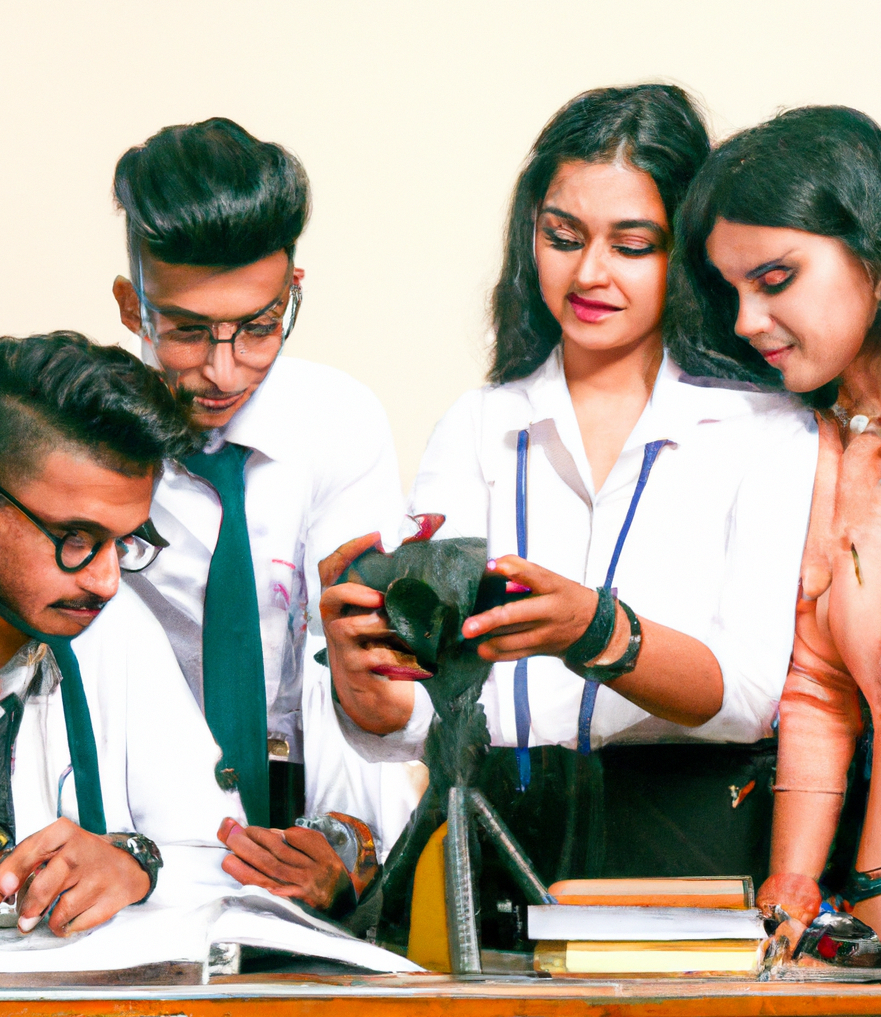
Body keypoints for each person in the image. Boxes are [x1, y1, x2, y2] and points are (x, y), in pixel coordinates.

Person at [321, 85, 819, 943]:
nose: (589, 273)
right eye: (562, 236)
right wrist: (362, 675)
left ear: (690, 252)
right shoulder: (480, 424)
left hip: (682, 838)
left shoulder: (766, 430)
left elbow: (749, 698)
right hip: (497, 830)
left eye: (633, 245)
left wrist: (595, 630)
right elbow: (424, 718)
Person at [110, 118, 421, 917]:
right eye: (186, 331)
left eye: (258, 327)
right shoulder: (88, 435)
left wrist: (348, 844)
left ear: (292, 291)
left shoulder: (341, 424)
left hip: (301, 822)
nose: (223, 370)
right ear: (132, 306)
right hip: (126, 838)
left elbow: (353, 655)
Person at [0, 332, 246, 961]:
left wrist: (136, 864)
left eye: (126, 541)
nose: (107, 580)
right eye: (75, 538)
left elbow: (223, 855)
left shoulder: (115, 631)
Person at [669, 104, 881, 938]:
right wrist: (792, 885)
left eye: (776, 278)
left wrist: (867, 886)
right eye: (732, 290)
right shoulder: (825, 440)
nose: (745, 322)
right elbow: (821, 689)